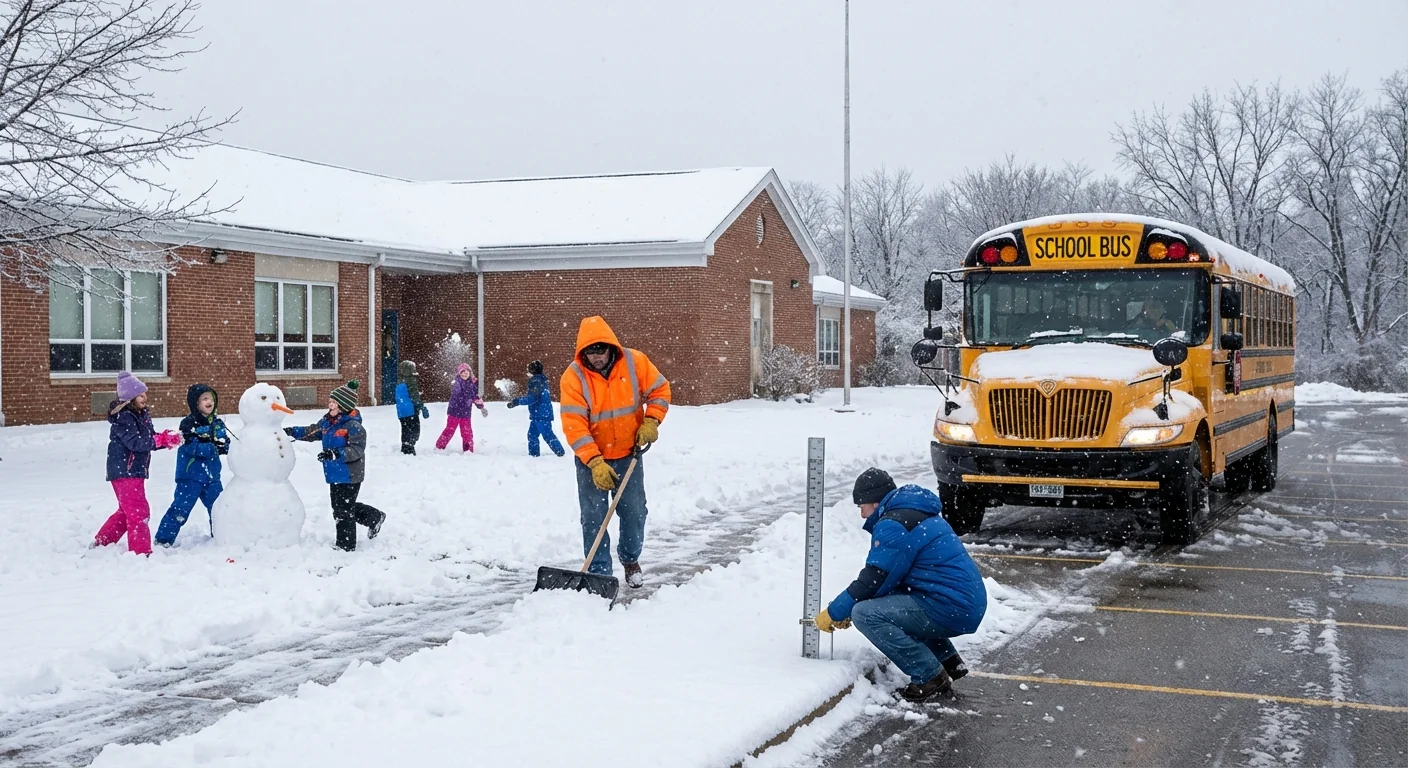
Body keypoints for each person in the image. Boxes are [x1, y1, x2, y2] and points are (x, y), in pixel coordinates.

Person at [814, 468, 988, 703]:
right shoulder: (917, 513)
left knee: (865, 614)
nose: (862, 514)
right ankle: (949, 662)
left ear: (874, 502)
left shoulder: (893, 525)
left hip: (950, 606)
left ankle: (930, 677)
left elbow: (873, 580)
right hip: (964, 602)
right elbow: (888, 583)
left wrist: (835, 612)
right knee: (895, 600)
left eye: (861, 506)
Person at [560, 316, 670, 588]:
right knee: (594, 518)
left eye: (600, 350)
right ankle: (599, 574)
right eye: (590, 352)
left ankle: (630, 559)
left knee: (634, 512)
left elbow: (660, 390)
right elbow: (574, 425)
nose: (596, 358)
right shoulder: (573, 377)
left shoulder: (635, 362)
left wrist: (651, 420)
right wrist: (595, 462)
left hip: (629, 455)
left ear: (610, 347)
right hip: (591, 461)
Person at [285, 381, 386, 551]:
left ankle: (345, 546)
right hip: (334, 474)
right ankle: (374, 517)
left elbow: (356, 449)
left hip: (350, 474)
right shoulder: (327, 422)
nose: (329, 404)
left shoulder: (353, 426)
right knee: (341, 507)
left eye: (333, 402)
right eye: (330, 401)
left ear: (343, 405)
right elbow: (312, 431)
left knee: (343, 510)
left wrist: (335, 454)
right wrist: (291, 431)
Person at [93, 372, 180, 555]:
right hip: (125, 470)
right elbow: (135, 443)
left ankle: (103, 541)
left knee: (126, 511)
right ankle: (141, 552)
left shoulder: (141, 415)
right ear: (130, 398)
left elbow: (148, 438)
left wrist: (166, 439)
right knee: (139, 512)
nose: (145, 398)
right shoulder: (124, 418)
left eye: (145, 394)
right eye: (141, 395)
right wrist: (161, 440)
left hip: (133, 470)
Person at [154, 384, 229, 546]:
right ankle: (163, 539)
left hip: (212, 477)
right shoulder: (188, 423)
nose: (209, 402)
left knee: (219, 508)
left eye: (211, 398)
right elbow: (190, 446)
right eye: (204, 399)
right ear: (196, 403)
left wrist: (224, 445)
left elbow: (225, 445)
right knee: (180, 509)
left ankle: (221, 536)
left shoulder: (218, 423)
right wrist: (211, 447)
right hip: (190, 477)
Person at [507, 360, 565, 457]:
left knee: (547, 435)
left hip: (541, 414)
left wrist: (517, 402)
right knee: (532, 435)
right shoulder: (541, 379)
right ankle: (534, 454)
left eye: (530, 369)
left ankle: (560, 452)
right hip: (538, 414)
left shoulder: (536, 381)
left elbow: (532, 398)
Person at [436, 363, 488, 453]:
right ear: (459, 374)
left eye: (467, 372)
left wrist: (481, 407)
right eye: (462, 372)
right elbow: (459, 393)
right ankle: (439, 447)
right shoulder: (457, 382)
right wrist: (470, 389)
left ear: (470, 373)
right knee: (449, 430)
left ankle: (468, 450)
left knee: (467, 433)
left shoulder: (472, 384)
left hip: (466, 413)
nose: (465, 374)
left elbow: (475, 397)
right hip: (454, 412)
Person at [395, 360, 429, 455]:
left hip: (401, 411)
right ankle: (410, 447)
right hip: (410, 410)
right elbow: (414, 396)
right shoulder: (411, 380)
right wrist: (421, 407)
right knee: (414, 429)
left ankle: (405, 446)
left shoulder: (399, 380)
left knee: (405, 428)